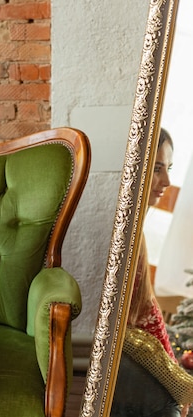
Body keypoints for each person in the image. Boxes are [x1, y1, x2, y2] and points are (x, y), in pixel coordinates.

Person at [112, 128, 184, 417]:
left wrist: (171, 364)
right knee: (169, 402)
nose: (166, 181)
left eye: (168, 169)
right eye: (156, 169)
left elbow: (146, 308)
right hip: (115, 355)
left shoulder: (135, 231)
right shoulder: (123, 230)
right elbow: (141, 313)